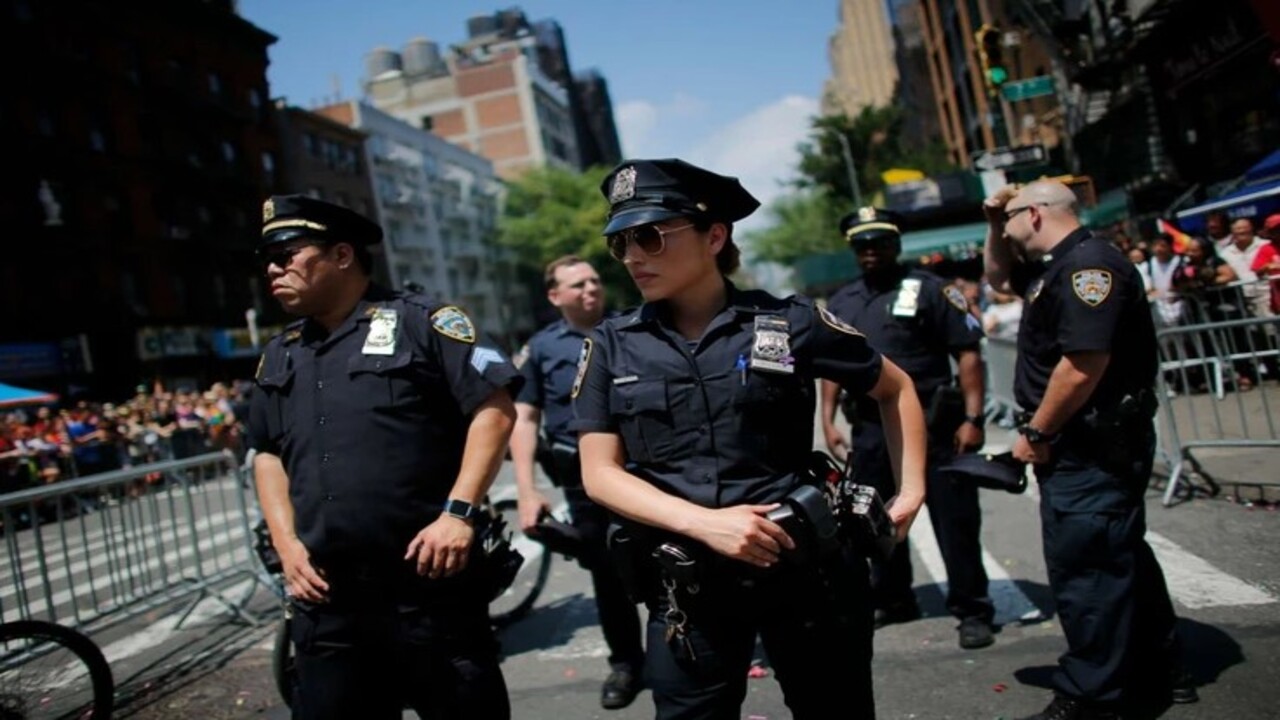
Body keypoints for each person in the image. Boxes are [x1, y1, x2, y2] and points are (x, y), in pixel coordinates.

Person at [572, 159, 928, 719]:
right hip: (688, 587)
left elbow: (895, 387)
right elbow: (599, 474)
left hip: (808, 577)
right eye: (621, 243)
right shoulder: (612, 345)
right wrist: (705, 524)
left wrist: (910, 493)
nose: (633, 256)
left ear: (714, 236)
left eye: (650, 237)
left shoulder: (789, 322)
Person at [247, 195, 520, 720]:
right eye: (267, 260)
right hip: (327, 600)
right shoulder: (281, 352)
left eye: (286, 254)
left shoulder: (423, 321)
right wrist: (286, 544)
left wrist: (458, 513)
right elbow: (266, 453)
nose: (273, 270)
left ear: (342, 254)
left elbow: (495, 408)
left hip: (427, 589)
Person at [982, 181, 1198, 720]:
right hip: (1086, 441)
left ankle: (1094, 696)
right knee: (1120, 557)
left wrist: (1036, 433)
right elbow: (998, 279)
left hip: (1091, 444)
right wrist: (992, 222)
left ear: (1034, 214)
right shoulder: (1057, 265)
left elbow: (1082, 365)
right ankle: (1161, 667)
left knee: (1088, 570)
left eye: (1010, 219)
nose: (1007, 230)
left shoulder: (1087, 267)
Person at [820, 207, 994, 650]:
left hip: (936, 428)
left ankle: (972, 608)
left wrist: (974, 418)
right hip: (871, 431)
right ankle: (894, 598)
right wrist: (827, 419)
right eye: (862, 244)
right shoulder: (843, 301)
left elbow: (968, 352)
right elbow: (833, 366)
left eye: (879, 242)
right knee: (873, 519)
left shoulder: (933, 289)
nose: (871, 251)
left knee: (955, 520)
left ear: (896, 244)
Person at [509, 255, 645, 709]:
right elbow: (525, 418)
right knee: (608, 576)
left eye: (593, 281)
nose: (590, 289)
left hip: (644, 470)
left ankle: (687, 654)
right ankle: (627, 663)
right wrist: (528, 489)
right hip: (584, 481)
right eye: (577, 285)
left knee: (669, 563)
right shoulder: (541, 348)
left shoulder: (632, 328)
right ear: (554, 296)